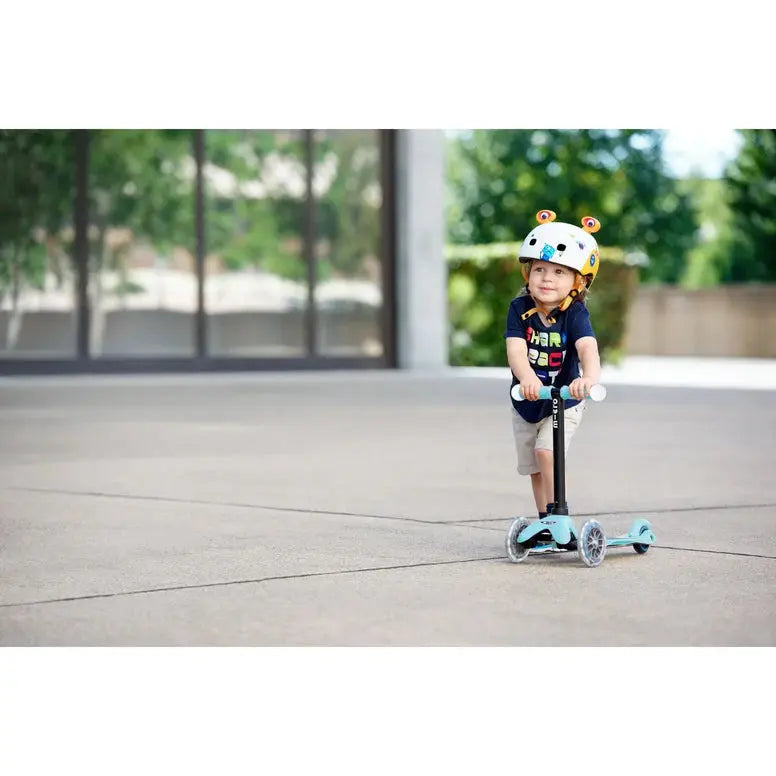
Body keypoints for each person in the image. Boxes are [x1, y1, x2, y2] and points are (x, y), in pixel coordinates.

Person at [504, 209, 602, 519]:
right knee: (534, 466)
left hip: (565, 399)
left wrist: (589, 378)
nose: (547, 278)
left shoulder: (575, 313)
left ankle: (561, 513)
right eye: (540, 269)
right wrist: (527, 379)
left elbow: (587, 347)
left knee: (547, 451)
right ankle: (545, 522)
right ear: (528, 273)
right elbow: (516, 350)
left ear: (578, 280)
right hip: (527, 399)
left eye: (559, 272)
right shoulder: (519, 308)